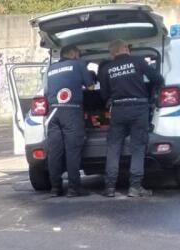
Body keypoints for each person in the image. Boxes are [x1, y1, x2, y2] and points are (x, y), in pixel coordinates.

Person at [98, 39, 163, 197]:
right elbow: (158, 79)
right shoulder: (138, 61)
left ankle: (110, 188)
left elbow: (104, 95)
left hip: (118, 109)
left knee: (113, 148)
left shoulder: (106, 69)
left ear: (113, 53)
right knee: (138, 148)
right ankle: (135, 187)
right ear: (126, 49)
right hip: (138, 108)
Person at [44, 46, 94, 196]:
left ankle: (55, 188)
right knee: (72, 150)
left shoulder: (51, 68)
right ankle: (73, 188)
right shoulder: (78, 64)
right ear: (73, 53)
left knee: (55, 152)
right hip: (71, 110)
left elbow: (46, 91)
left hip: (53, 113)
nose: (79, 56)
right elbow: (91, 87)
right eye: (78, 53)